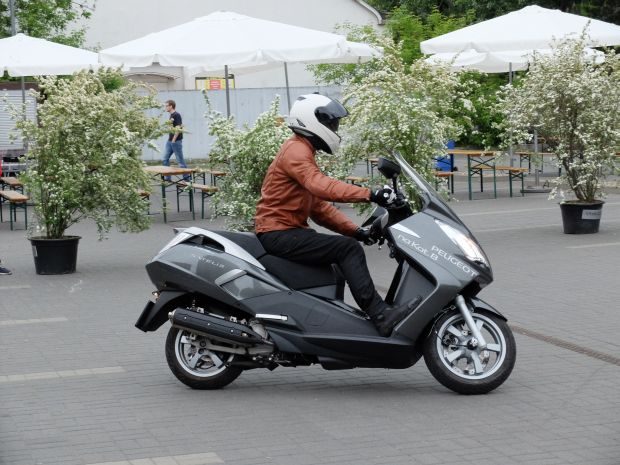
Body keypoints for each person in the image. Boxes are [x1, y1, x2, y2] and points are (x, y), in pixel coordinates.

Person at [255, 93, 413, 337]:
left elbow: (319, 208)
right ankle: (380, 315)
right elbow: (321, 186)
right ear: (312, 121)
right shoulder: (297, 151)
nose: (335, 129)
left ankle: (333, 324)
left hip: (284, 230)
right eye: (331, 124)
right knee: (347, 250)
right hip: (279, 232)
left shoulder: (301, 150)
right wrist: (371, 194)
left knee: (342, 256)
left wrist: (357, 232)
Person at [162, 100, 189, 180]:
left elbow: (178, 128)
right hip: (169, 141)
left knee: (180, 161)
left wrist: (173, 140)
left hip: (176, 141)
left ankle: (187, 179)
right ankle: (167, 178)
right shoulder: (171, 115)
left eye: (167, 106)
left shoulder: (177, 115)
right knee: (165, 159)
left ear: (171, 106)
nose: (165, 107)